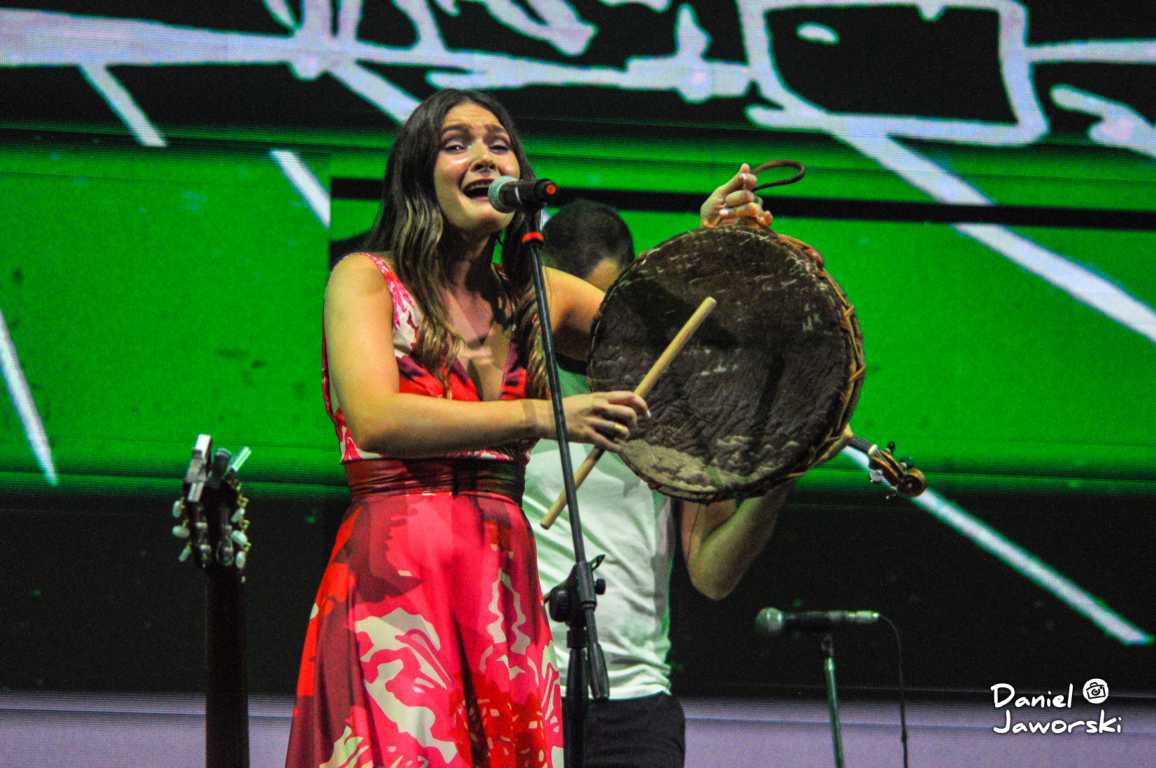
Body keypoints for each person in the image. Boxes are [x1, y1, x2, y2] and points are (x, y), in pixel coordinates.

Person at [284, 87, 770, 768]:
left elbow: (679, 340)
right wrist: (544, 416)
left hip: (502, 584)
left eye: (499, 143)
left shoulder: (536, 294)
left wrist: (713, 247)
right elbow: (376, 417)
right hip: (399, 576)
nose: (485, 156)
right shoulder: (365, 279)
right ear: (419, 174)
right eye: (457, 144)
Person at [522, 200, 792, 768]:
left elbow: (711, 575)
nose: (591, 327)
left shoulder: (675, 400)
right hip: (522, 688)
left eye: (604, 306)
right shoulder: (510, 386)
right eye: (571, 309)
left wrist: (779, 477)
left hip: (637, 704)